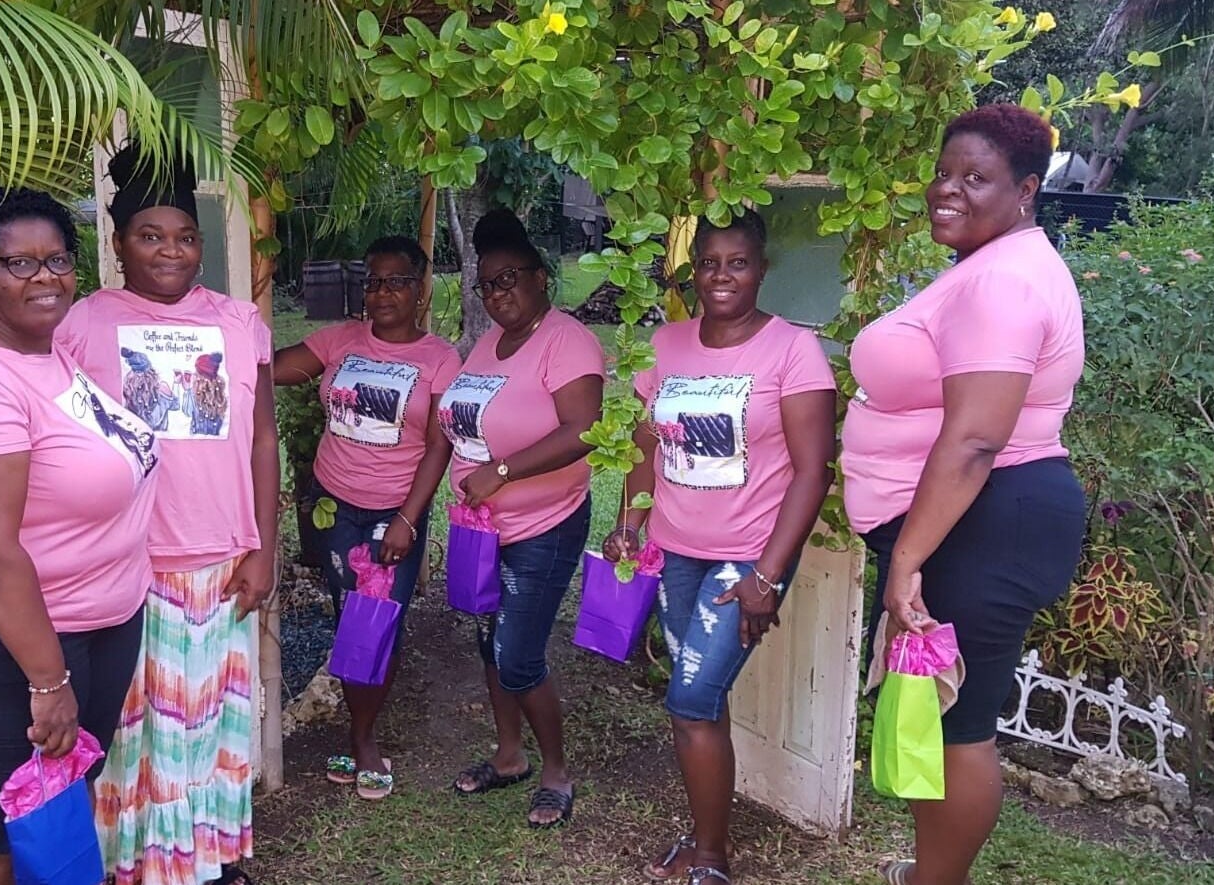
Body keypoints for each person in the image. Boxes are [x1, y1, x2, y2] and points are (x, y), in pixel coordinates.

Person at [841, 104, 1087, 885]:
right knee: (941, 711)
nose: (949, 189)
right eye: (944, 173)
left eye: (975, 177)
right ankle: (932, 870)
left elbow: (977, 437)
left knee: (956, 724)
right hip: (978, 520)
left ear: (1026, 190)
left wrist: (907, 559)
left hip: (980, 523)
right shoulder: (995, 266)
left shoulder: (1003, 283)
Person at [0, 188, 158, 885]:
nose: (45, 277)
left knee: (58, 802)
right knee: (4, 830)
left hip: (93, 619)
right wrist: (49, 681)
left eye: (58, 259)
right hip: (12, 643)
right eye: (19, 263)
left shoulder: (43, 351)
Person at [57, 144, 278, 885]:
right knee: (133, 730)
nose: (170, 251)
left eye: (185, 236)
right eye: (150, 235)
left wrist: (263, 547)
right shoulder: (80, 326)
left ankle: (207, 857)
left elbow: (263, 437)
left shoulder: (239, 322)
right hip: (123, 566)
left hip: (221, 560)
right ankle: (134, 865)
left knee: (210, 722)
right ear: (119, 242)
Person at [603, 212, 836, 884]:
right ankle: (705, 831)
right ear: (694, 271)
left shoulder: (793, 350)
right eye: (709, 263)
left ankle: (711, 858)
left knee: (688, 701)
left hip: (748, 560)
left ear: (761, 269)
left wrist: (767, 575)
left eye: (738, 262)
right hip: (676, 553)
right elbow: (646, 449)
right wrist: (630, 523)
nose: (722, 276)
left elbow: (813, 471)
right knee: (701, 699)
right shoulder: (666, 345)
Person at [273, 235, 461, 800]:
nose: (382, 293)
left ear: (420, 289)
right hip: (334, 505)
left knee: (378, 621)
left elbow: (439, 446)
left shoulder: (440, 358)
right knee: (346, 615)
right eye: (374, 281)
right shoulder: (341, 340)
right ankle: (357, 727)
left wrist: (408, 518)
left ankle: (363, 737)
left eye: (397, 281)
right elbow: (274, 370)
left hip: (394, 511)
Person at [442, 208, 604, 828]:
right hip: (485, 529)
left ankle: (556, 771)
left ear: (540, 277)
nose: (498, 292)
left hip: (545, 525)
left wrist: (501, 472)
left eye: (510, 278)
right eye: (487, 284)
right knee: (490, 637)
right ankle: (509, 756)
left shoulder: (566, 340)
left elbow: (584, 429)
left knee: (517, 654)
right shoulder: (490, 342)